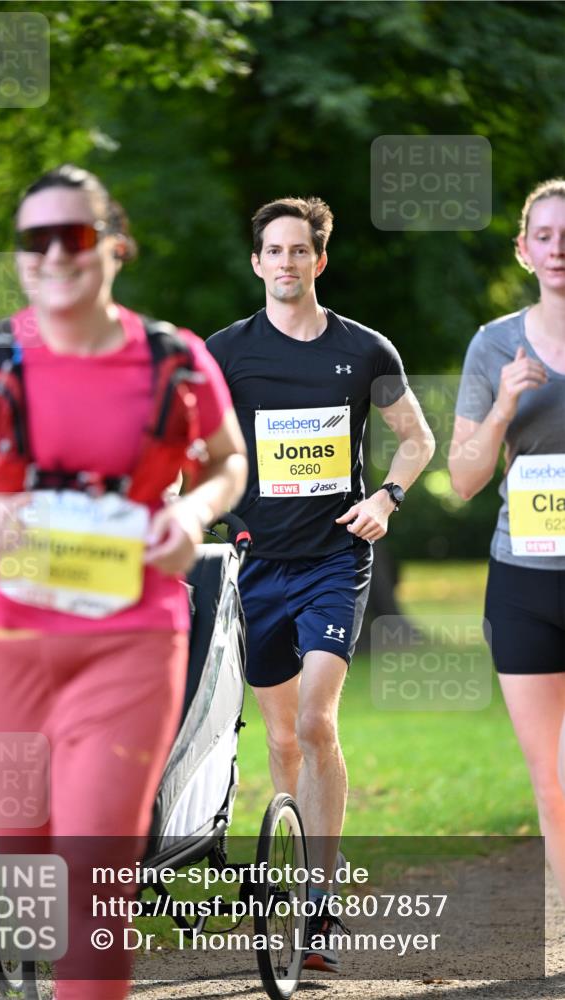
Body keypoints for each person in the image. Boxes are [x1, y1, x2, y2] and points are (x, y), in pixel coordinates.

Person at [0, 164, 247, 999]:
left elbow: (230, 462)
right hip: (8, 646)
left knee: (95, 874)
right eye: (35, 239)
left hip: (131, 640)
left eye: (77, 236)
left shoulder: (174, 358)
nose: (56, 253)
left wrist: (194, 513)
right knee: (26, 853)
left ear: (114, 248)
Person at [206, 196, 435, 972]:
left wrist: (386, 498)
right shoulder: (225, 353)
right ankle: (294, 867)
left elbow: (416, 438)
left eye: (299, 251)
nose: (285, 262)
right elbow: (195, 449)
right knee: (276, 739)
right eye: (273, 251)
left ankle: (319, 902)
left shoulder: (364, 350)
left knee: (313, 723)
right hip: (255, 564)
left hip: (336, 560)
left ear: (319, 261)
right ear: (256, 263)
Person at [449, 178, 565, 903]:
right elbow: (462, 478)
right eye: (545, 236)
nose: (560, 250)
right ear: (523, 250)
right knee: (550, 783)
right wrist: (502, 406)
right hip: (523, 582)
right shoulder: (494, 344)